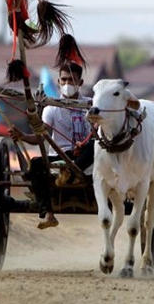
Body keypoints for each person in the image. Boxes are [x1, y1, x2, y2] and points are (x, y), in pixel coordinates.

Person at [10, 62, 95, 229]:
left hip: (86, 155)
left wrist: (84, 144)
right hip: (61, 156)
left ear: (80, 83)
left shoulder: (92, 106)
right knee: (35, 164)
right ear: (58, 82)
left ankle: (72, 171)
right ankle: (48, 213)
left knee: (94, 146)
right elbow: (41, 137)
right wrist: (23, 136)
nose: (67, 84)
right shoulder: (51, 108)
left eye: (71, 80)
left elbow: (99, 133)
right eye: (63, 80)